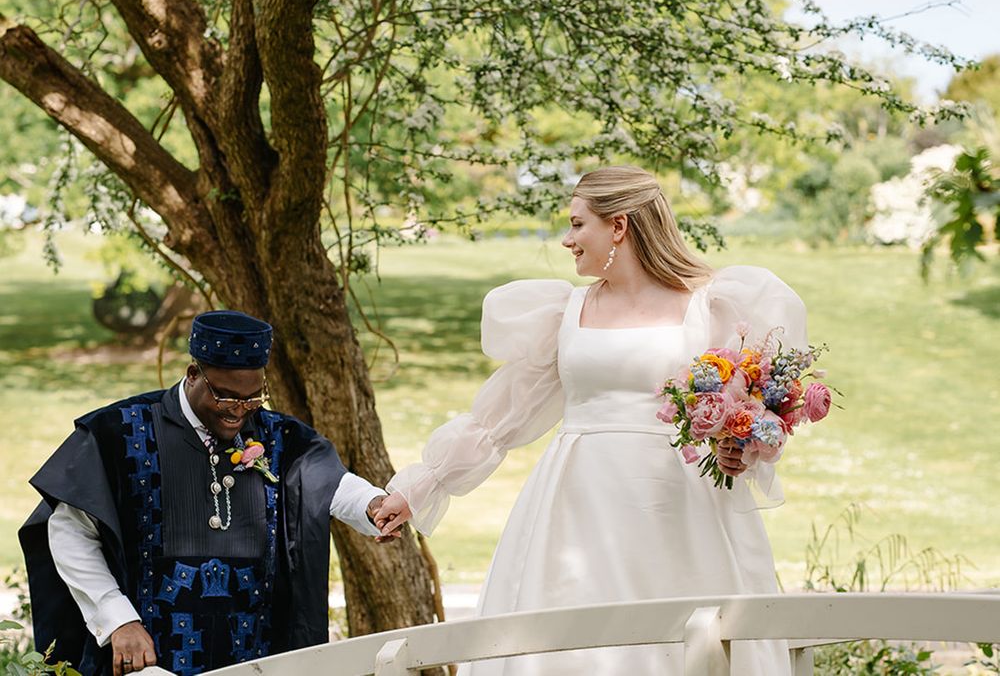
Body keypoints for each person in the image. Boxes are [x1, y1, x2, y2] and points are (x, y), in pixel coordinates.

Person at [374, 165, 809, 675]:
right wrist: (420, 486)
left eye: (578, 224)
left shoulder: (710, 307)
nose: (567, 239)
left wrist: (739, 449)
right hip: (575, 508)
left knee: (686, 640)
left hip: (679, 507)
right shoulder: (566, 312)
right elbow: (500, 417)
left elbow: (747, 411)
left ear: (618, 226)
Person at [19, 309, 398, 676]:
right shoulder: (117, 432)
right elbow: (70, 531)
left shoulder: (277, 434)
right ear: (193, 374)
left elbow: (327, 482)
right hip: (150, 659)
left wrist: (373, 504)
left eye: (253, 397)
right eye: (227, 397)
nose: (239, 412)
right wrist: (118, 620)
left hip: (258, 657)